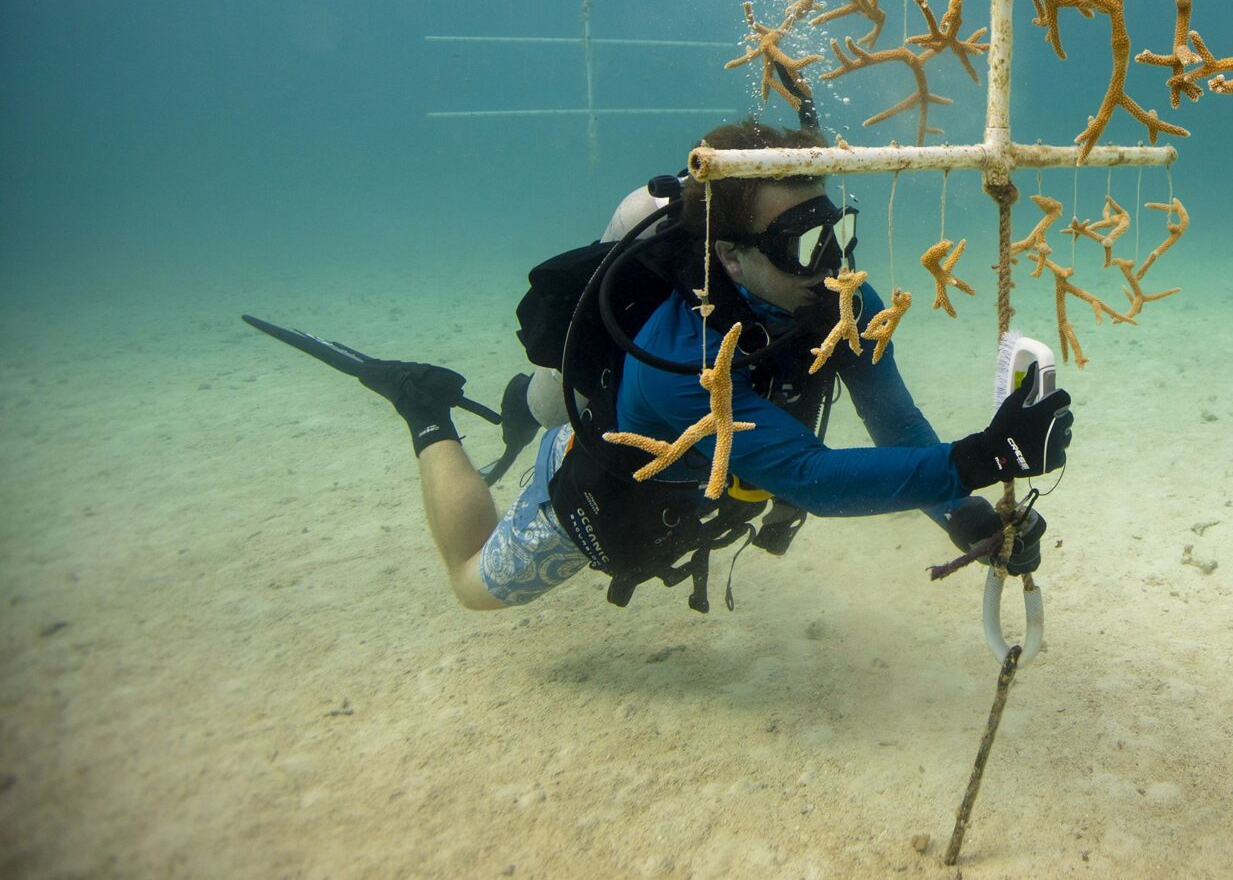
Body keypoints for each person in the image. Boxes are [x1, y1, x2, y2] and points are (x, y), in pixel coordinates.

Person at [358, 116, 1074, 612]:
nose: (829, 264)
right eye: (800, 244)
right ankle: (426, 410)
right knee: (473, 583)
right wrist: (985, 456)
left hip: (724, 486)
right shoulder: (677, 360)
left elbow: (895, 421)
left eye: (836, 232)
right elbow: (812, 479)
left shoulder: (840, 295)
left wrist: (965, 512)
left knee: (543, 416)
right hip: (620, 487)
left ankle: (526, 402)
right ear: (729, 255)